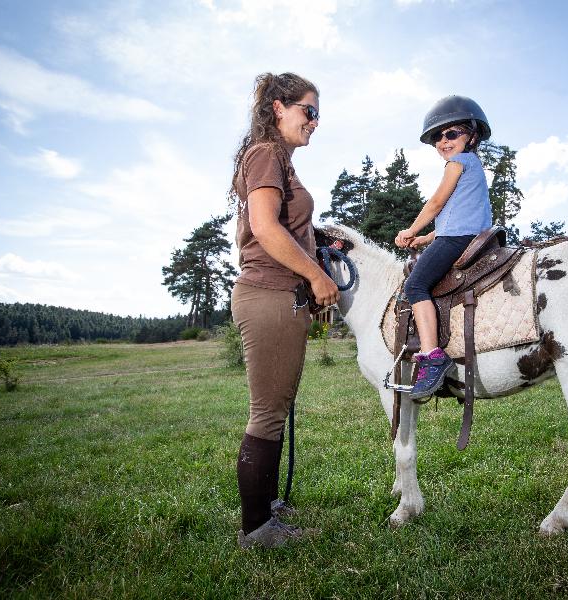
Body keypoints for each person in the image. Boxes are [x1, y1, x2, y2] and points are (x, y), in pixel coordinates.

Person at [229, 72, 339, 549]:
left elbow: (277, 233)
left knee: (276, 407)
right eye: (308, 111)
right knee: (267, 413)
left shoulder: (279, 162)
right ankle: (257, 529)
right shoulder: (266, 155)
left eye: (318, 115)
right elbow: (265, 229)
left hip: (282, 296)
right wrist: (316, 275)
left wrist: (314, 262)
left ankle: (268, 506)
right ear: (279, 107)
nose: (315, 122)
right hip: (269, 295)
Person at [394, 95, 493, 400]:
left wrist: (411, 229)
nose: (444, 141)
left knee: (415, 286)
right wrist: (426, 239)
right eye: (438, 136)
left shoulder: (458, 162)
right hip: (459, 236)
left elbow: (437, 203)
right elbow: (457, 216)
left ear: (472, 135)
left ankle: (432, 355)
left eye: (452, 133)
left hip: (456, 239)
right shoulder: (473, 165)